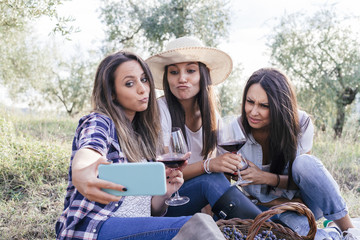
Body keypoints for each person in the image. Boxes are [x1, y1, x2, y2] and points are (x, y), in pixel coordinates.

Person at [55, 51, 206, 240]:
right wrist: (82, 173)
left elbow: (148, 209)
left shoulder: (144, 136)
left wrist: (165, 193)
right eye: (129, 83)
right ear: (112, 93)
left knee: (205, 221)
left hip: (129, 228)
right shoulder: (100, 121)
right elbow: (90, 150)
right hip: (95, 228)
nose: (142, 89)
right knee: (198, 226)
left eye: (144, 79)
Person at [146, 36, 262, 220]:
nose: (181, 78)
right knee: (211, 179)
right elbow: (165, 171)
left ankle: (270, 227)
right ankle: (269, 230)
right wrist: (209, 165)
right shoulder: (160, 110)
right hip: (168, 202)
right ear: (167, 78)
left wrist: (230, 165)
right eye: (174, 72)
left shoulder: (211, 116)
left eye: (190, 70)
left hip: (198, 199)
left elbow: (222, 169)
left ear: (203, 74)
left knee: (222, 186)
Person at [236, 68, 360, 240]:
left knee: (304, 163)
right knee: (308, 233)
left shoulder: (301, 123)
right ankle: (331, 233)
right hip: (270, 209)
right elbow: (236, 190)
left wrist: (264, 177)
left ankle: (349, 230)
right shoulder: (234, 131)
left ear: (280, 107)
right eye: (250, 102)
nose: (254, 111)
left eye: (264, 105)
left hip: (305, 202)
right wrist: (282, 203)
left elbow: (303, 179)